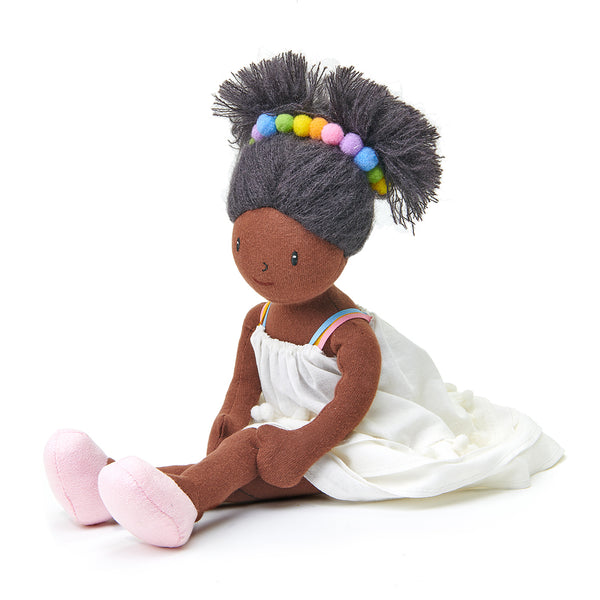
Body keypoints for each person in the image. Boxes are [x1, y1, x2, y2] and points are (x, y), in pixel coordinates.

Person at [44, 52, 562, 548]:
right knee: (236, 462)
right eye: (242, 245)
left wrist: (304, 444)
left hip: (348, 444)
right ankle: (114, 493)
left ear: (340, 248)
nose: (261, 268)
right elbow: (244, 382)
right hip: (285, 434)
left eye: (292, 258)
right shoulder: (259, 317)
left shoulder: (348, 334)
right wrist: (232, 413)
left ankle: (172, 505)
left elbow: (353, 403)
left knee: (249, 452)